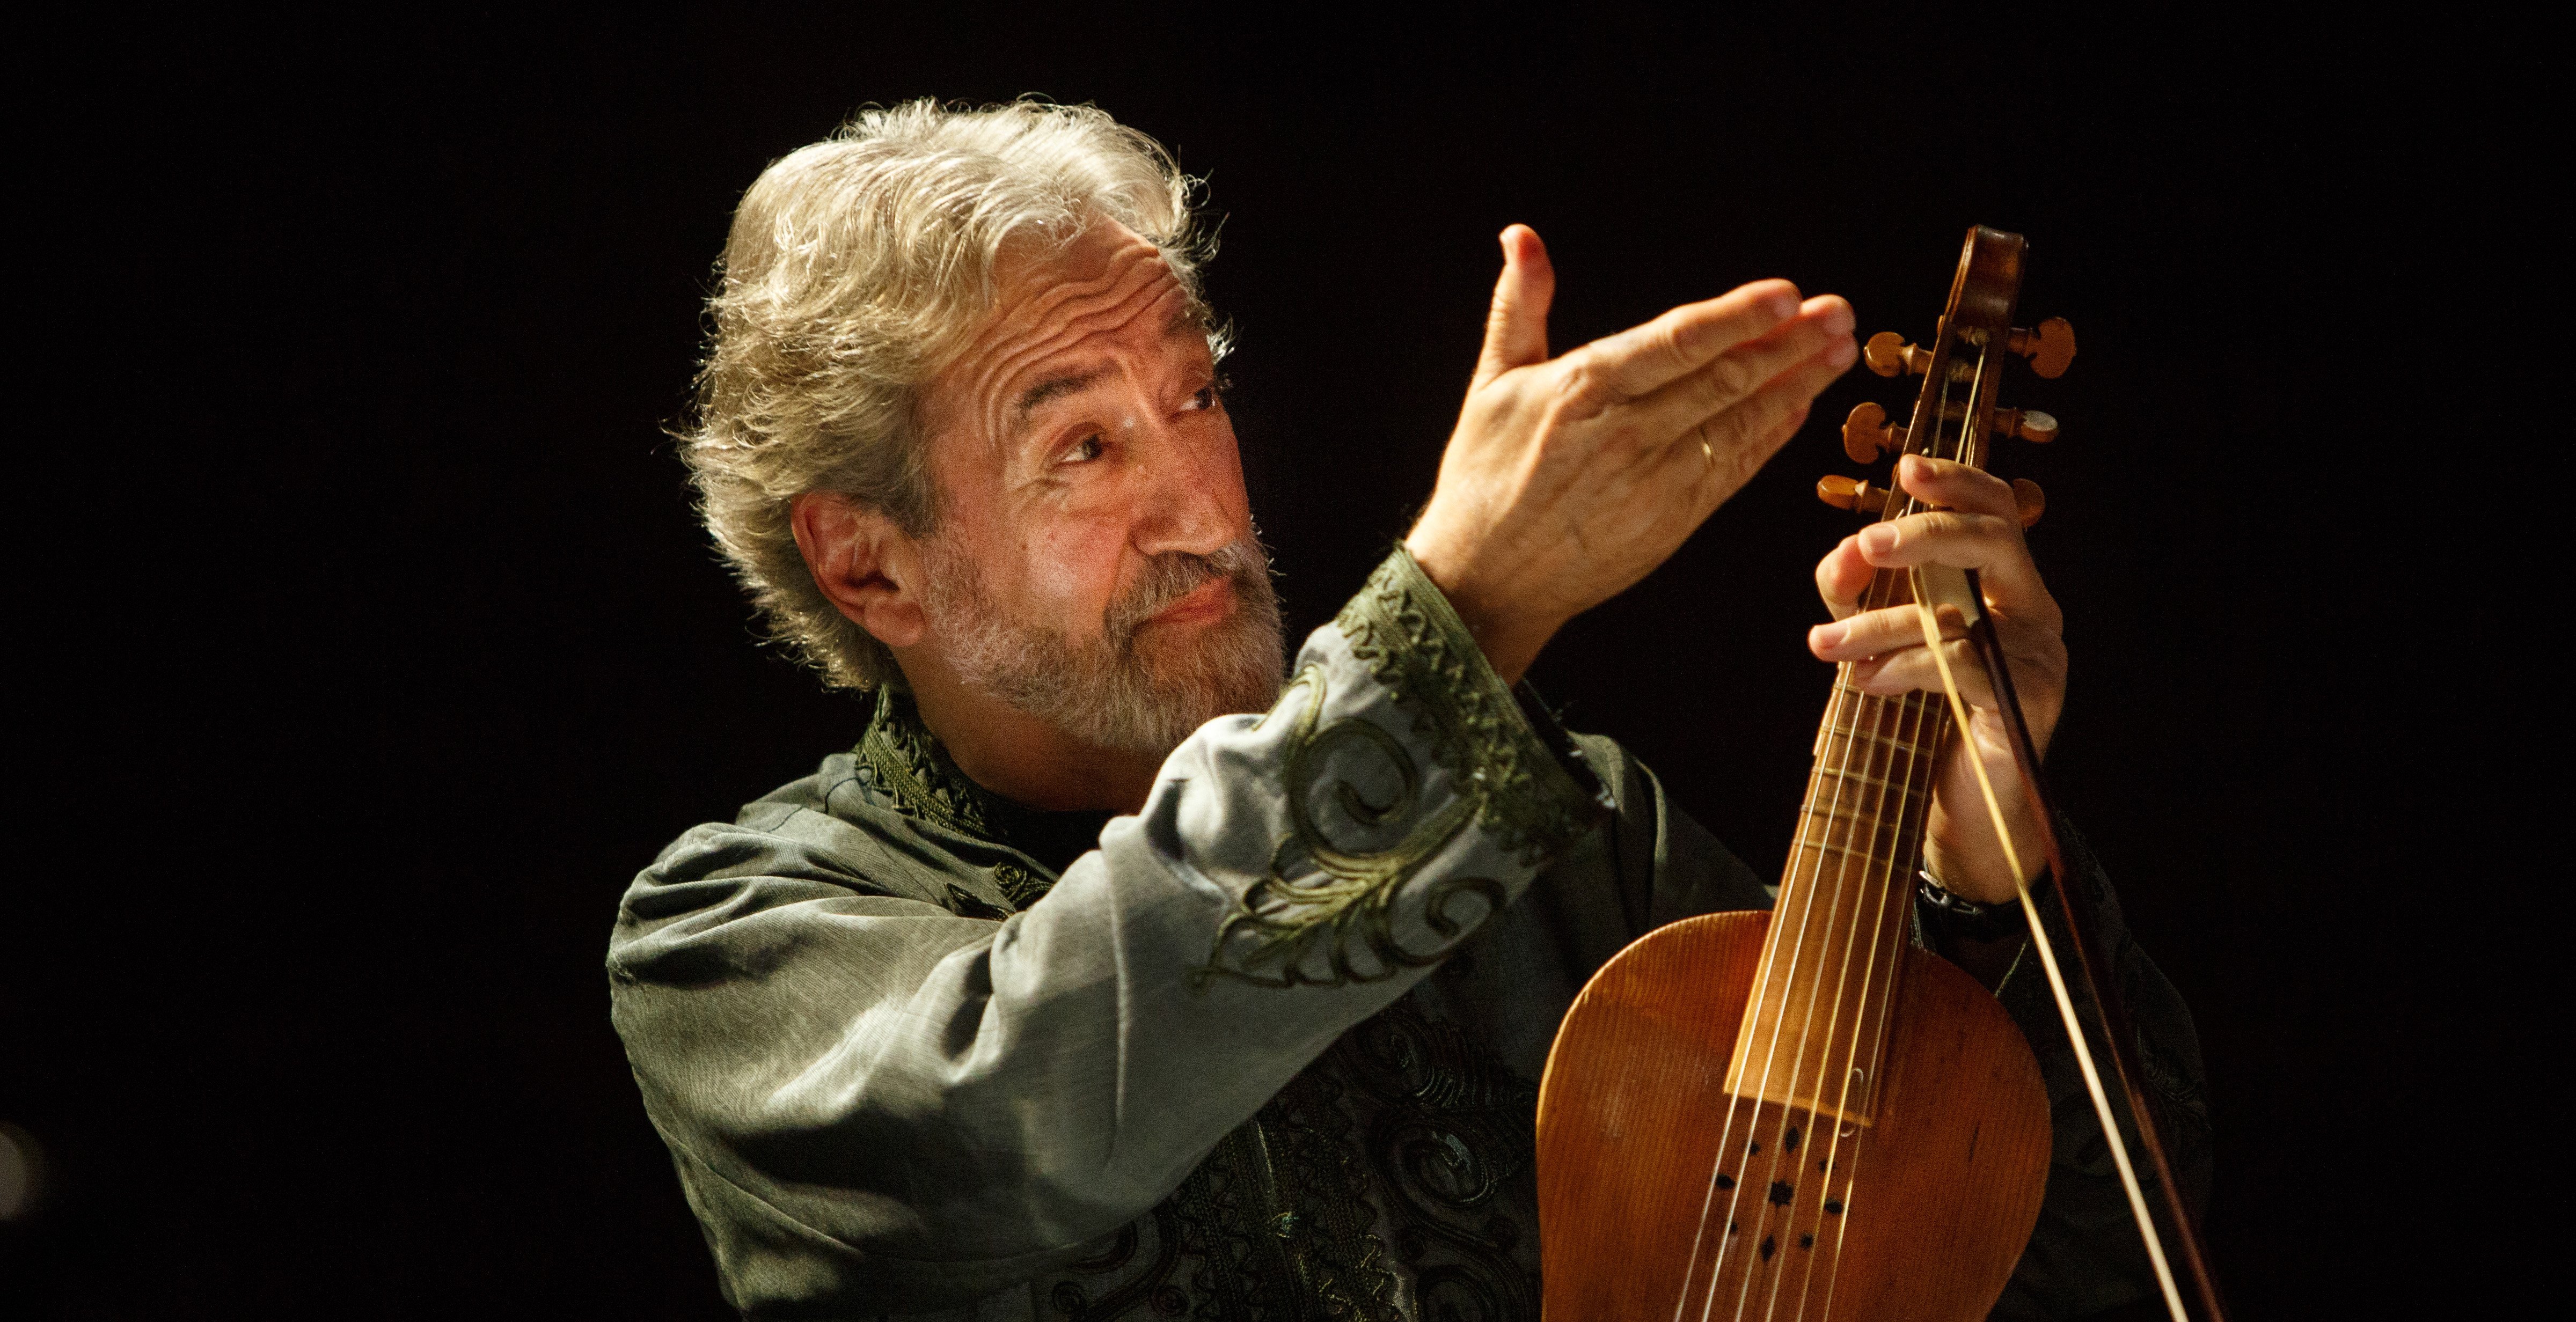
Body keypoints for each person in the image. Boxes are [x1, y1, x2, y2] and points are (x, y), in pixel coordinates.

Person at [608, 98, 2209, 1322]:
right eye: (1081, 449)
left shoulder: (1557, 820)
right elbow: (999, 1128)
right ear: (865, 563)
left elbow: (2051, 1279)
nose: (1199, 502)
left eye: (1193, 395)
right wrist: (1467, 614)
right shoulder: (736, 936)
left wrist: (1981, 885)